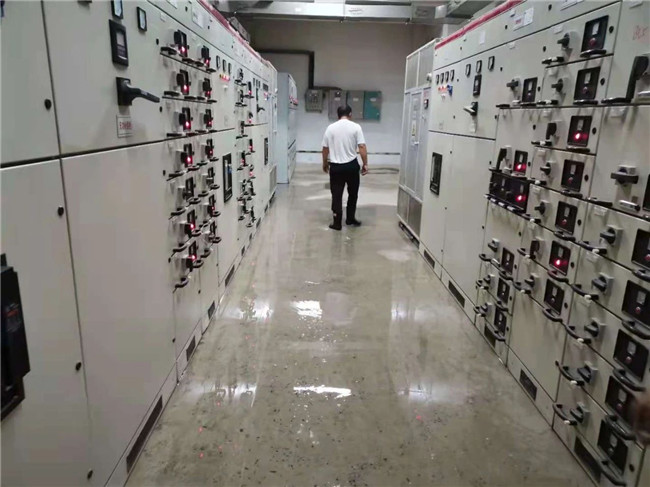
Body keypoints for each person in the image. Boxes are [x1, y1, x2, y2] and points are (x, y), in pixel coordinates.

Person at [321, 105, 368, 230]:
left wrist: (324, 163)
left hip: (336, 167)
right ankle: (350, 219)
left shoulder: (330, 128)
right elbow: (362, 147)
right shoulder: (356, 127)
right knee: (353, 194)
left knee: (336, 194)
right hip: (351, 166)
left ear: (338, 115)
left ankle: (337, 222)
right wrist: (365, 164)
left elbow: (325, 148)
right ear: (350, 114)